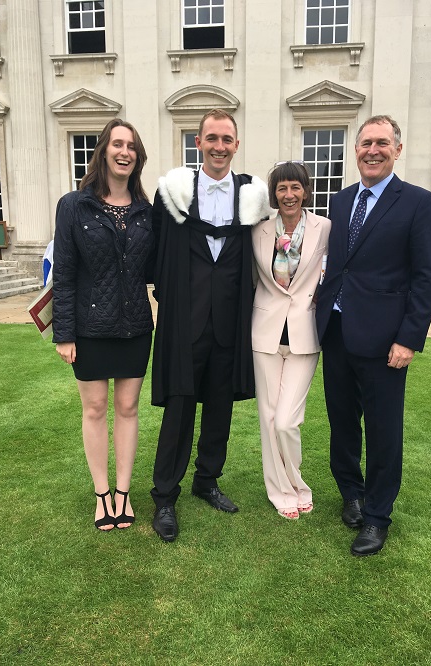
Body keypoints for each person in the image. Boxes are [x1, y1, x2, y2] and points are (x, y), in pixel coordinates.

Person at [316, 115, 431, 556]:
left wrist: (409, 338)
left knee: (384, 431)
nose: (373, 150)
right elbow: (338, 263)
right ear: (356, 150)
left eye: (382, 143)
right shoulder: (342, 199)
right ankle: (351, 493)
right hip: (336, 330)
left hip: (387, 340)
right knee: (343, 422)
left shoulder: (419, 203)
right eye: (366, 143)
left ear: (397, 150)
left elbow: (427, 279)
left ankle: (377, 516)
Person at [150, 108, 271, 542]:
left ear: (236, 145)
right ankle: (165, 495)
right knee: (180, 411)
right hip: (186, 322)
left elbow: (263, 258)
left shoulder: (252, 196)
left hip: (230, 323)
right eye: (212, 138)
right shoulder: (174, 192)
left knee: (218, 410)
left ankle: (207, 481)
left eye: (227, 139)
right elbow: (156, 255)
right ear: (198, 142)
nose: (220, 146)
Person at [52, 118, 155, 531]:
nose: (124, 151)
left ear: (137, 156)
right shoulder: (74, 206)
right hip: (89, 327)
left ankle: (124, 493)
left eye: (131, 145)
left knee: (128, 409)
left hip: (135, 327)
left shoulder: (147, 212)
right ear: (103, 151)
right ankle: (102, 495)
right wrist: (64, 333)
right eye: (117, 144)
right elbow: (64, 272)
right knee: (94, 409)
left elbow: (160, 268)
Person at [252, 161, 330, 519]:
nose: (288, 195)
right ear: (274, 193)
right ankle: (280, 491)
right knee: (269, 419)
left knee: (287, 420)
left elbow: (339, 269)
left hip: (305, 332)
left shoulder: (324, 227)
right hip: (265, 332)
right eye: (282, 188)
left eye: (295, 188)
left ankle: (296, 482)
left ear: (306, 191)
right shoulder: (258, 230)